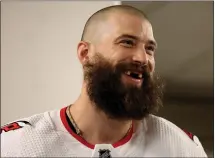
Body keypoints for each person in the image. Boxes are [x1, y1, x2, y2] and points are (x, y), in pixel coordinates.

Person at [1, 5, 207, 157]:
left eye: (149, 49)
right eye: (127, 42)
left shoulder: (181, 148)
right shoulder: (16, 146)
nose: (142, 58)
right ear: (85, 53)